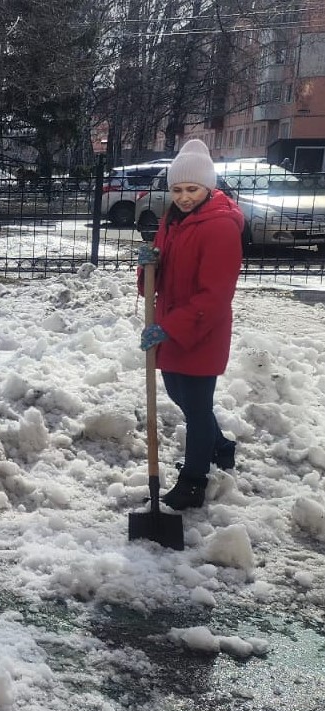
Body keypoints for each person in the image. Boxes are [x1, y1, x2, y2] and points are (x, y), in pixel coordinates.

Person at [138, 139, 243, 510]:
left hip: (202, 330)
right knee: (179, 395)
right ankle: (221, 445)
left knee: (197, 407)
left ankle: (194, 482)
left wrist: (170, 327)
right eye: (177, 189)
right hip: (172, 323)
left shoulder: (221, 228)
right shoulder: (173, 218)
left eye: (192, 189)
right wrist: (148, 264)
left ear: (208, 187)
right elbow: (160, 272)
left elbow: (214, 296)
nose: (184, 197)